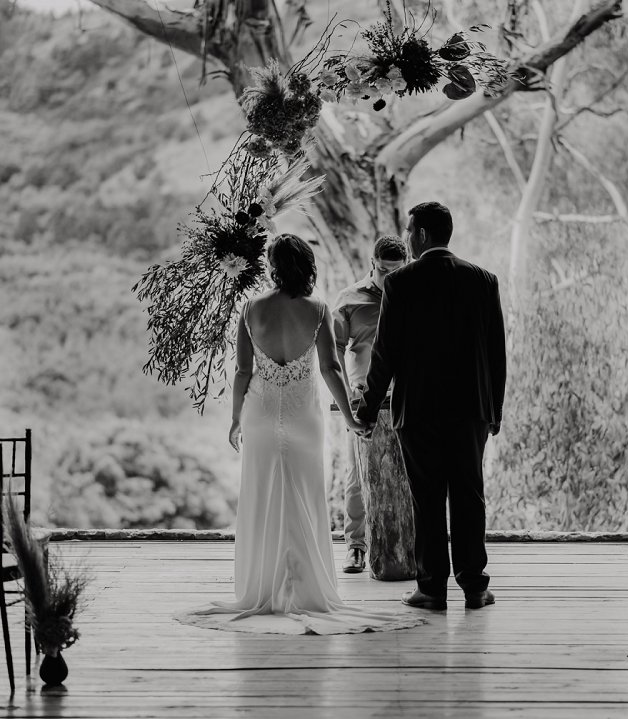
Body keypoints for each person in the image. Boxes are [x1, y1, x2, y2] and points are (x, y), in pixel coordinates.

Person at [177, 234, 422, 636]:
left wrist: (236, 419)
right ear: (307, 265)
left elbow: (242, 371)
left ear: (273, 266)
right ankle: (307, 589)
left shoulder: (251, 308)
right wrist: (350, 418)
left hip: (259, 412)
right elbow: (330, 369)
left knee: (262, 494)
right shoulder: (318, 309)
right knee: (304, 495)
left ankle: (262, 588)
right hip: (303, 413)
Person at [356, 201, 507, 612]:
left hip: (418, 410)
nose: (407, 238)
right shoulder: (483, 280)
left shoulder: (400, 283)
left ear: (421, 234)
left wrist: (367, 411)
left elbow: (384, 354)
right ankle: (475, 587)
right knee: (469, 496)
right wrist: (494, 410)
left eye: (409, 231)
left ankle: (432, 589)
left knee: (427, 500)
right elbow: (497, 353)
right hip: (471, 410)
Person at [332, 234, 409, 573]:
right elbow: (333, 350)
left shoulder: (413, 296)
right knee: (357, 474)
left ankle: (412, 546)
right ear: (372, 264)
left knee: (412, 473)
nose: (390, 278)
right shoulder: (349, 299)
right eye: (383, 271)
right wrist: (346, 393)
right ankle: (356, 547)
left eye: (397, 271)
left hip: (408, 398)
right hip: (364, 400)